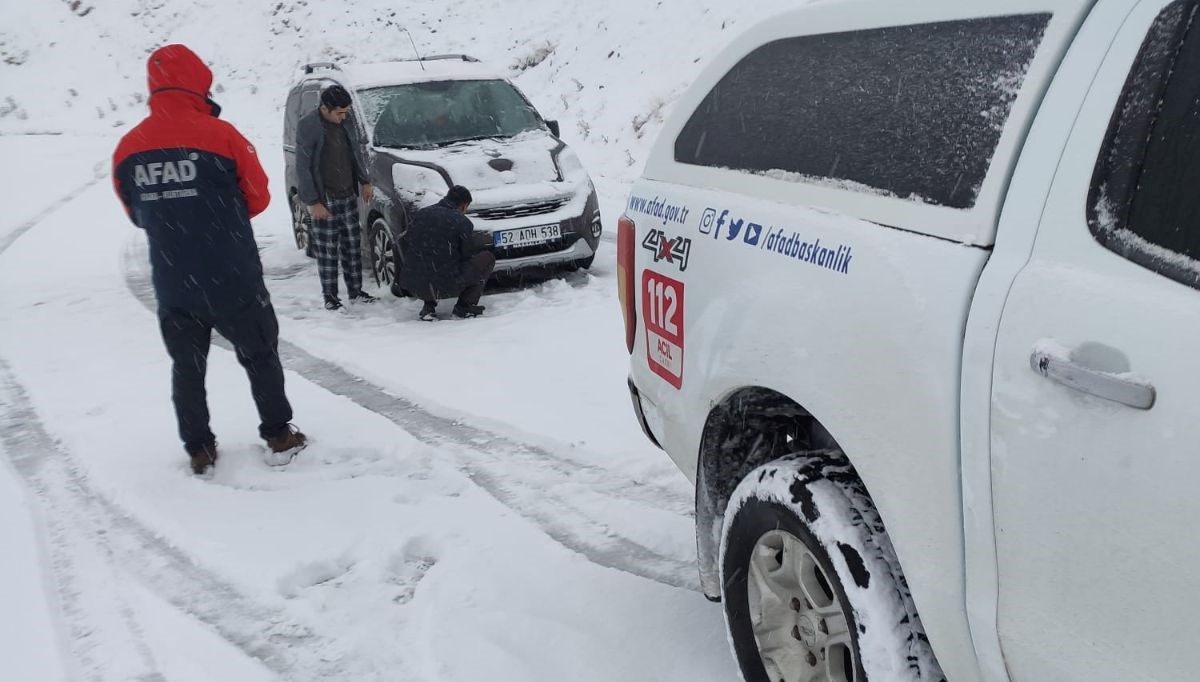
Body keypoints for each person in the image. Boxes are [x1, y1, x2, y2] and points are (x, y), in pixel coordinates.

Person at [112, 44, 307, 475]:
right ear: (199, 82)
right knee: (260, 355)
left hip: (173, 279)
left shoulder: (128, 148)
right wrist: (217, 215)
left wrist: (172, 215)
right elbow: (258, 197)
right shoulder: (223, 136)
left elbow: (136, 213)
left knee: (187, 366)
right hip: (232, 274)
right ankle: (278, 432)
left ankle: (199, 447)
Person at [295, 84, 377, 310]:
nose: (344, 116)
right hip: (325, 198)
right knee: (328, 251)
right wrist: (313, 202)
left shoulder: (347, 121)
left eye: (346, 112)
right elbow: (303, 167)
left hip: (347, 193)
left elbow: (356, 153)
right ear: (325, 108)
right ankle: (330, 297)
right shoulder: (308, 126)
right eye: (340, 113)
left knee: (352, 246)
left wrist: (365, 181)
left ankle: (356, 291)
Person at [398, 185, 496, 321]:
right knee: (487, 258)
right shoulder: (462, 222)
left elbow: (406, 242)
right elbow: (467, 255)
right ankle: (464, 307)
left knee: (428, 260)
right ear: (463, 205)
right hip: (445, 284)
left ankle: (428, 307)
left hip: (413, 284)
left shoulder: (421, 214)